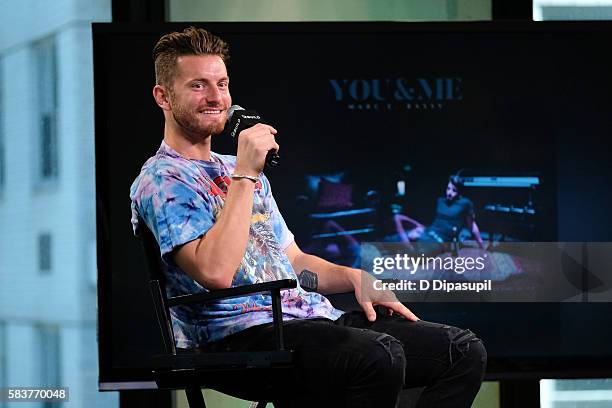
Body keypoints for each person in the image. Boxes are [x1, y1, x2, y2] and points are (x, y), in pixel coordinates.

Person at [130, 27, 486, 407]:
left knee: (462, 352)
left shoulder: (238, 170)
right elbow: (215, 273)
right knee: (378, 356)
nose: (217, 97)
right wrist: (246, 175)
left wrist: (354, 276)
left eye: (222, 83)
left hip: (307, 321)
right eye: (198, 86)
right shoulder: (161, 179)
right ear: (163, 97)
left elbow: (294, 262)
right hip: (235, 336)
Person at [394, 176, 486, 256]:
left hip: (440, 240)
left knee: (416, 254)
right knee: (397, 221)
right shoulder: (440, 201)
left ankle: (407, 246)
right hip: (428, 232)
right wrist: (421, 229)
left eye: (454, 190)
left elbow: (472, 225)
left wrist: (481, 244)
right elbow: (436, 222)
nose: (449, 193)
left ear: (460, 192)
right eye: (448, 189)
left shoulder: (465, 203)